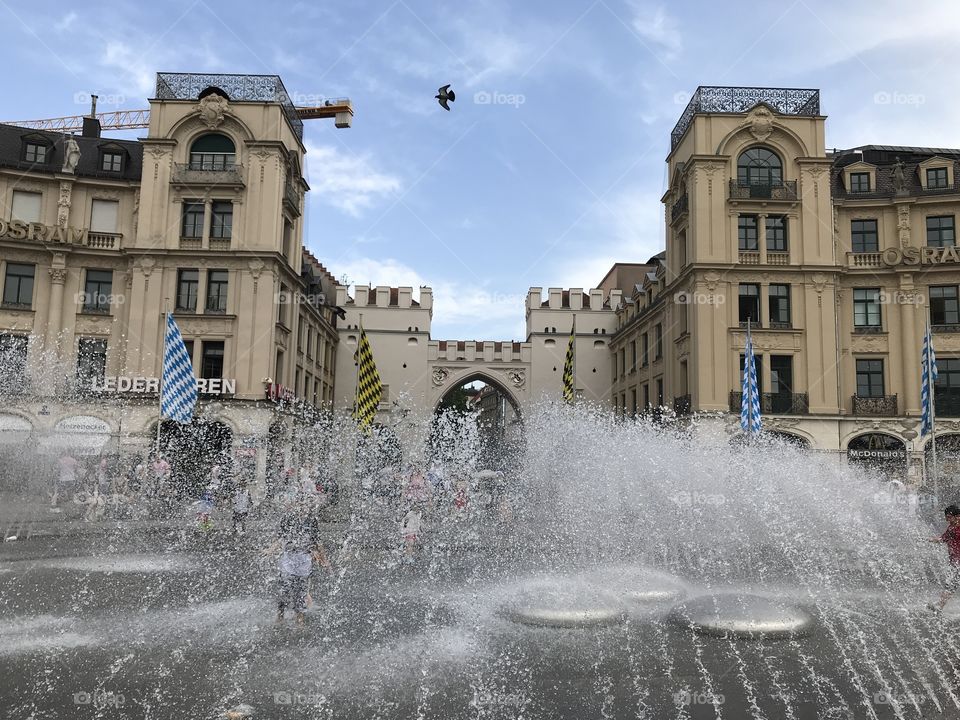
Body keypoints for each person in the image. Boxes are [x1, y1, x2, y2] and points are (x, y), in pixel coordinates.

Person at [264, 504, 331, 626]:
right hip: (288, 559)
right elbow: (280, 538)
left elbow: (317, 542)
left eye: (305, 505)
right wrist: (270, 550)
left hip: (304, 561)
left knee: (301, 591)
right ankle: (280, 616)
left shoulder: (312, 521)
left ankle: (299, 619)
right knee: (283, 589)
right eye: (299, 504)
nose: (302, 508)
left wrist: (324, 559)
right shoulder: (287, 518)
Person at [928, 504, 960, 611]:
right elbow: (943, 538)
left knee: (951, 585)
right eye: (946, 517)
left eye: (949, 517)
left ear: (958, 516)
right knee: (951, 585)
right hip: (954, 562)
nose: (947, 520)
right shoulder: (951, 527)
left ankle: (939, 606)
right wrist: (930, 540)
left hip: (958, 563)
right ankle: (940, 605)